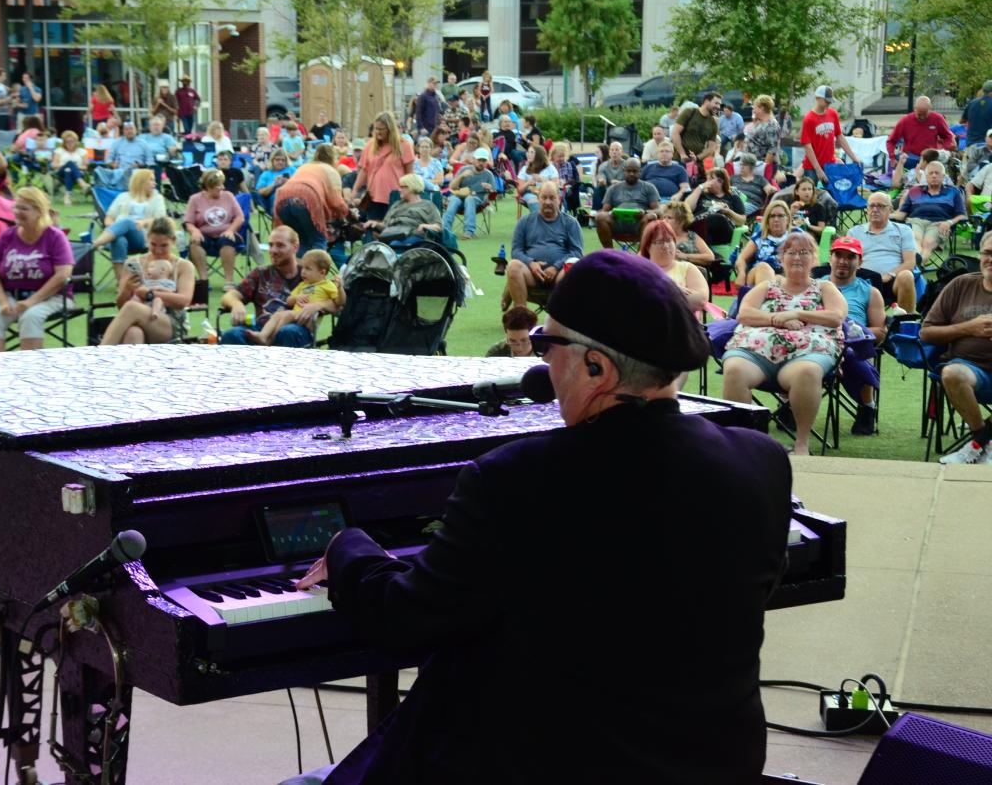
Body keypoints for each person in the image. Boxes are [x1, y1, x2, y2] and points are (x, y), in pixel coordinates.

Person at [289, 248, 788, 785]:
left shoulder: (515, 479)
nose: (542, 364)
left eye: (550, 345)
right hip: (715, 765)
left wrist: (350, 549)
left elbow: (402, 620)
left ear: (597, 367)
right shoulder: (761, 463)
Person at [723, 231, 846, 455]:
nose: (797, 258)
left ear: (815, 259)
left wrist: (797, 313)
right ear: (781, 258)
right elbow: (744, 314)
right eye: (791, 252)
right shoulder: (767, 287)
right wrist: (775, 320)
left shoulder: (824, 288)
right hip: (757, 353)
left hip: (806, 353)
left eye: (804, 252)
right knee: (734, 370)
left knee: (808, 372)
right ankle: (745, 442)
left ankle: (801, 443)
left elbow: (836, 316)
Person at [921, 232, 992, 464]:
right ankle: (985, 443)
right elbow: (927, 332)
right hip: (971, 369)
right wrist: (969, 328)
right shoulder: (961, 285)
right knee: (951, 373)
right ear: (980, 255)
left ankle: (978, 445)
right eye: (987, 253)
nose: (990, 259)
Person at [0, 188, 74, 353]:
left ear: (39, 211)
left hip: (53, 297)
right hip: (12, 296)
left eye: (24, 208)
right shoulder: (7, 236)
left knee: (31, 316)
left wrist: (32, 301)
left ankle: (30, 371)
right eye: (16, 207)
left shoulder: (55, 237)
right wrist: (2, 302)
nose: (17, 212)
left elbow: (63, 274)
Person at [220, 226, 343, 347]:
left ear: (295, 247)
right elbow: (230, 295)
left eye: (280, 245)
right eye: (271, 245)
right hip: (262, 328)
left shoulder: (310, 273)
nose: (273, 250)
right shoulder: (261, 273)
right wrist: (236, 304)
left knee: (287, 332)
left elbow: (337, 304)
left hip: (296, 328)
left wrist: (318, 305)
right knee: (232, 334)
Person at [97, 216, 196, 346]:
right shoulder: (133, 264)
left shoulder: (183, 266)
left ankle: (100, 355)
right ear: (147, 239)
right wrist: (127, 289)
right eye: (153, 244)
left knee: (132, 308)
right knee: (133, 333)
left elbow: (184, 301)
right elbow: (121, 305)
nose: (158, 251)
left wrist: (150, 294)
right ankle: (133, 366)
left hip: (170, 322)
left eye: (164, 245)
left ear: (173, 241)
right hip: (138, 320)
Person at [825, 235, 886, 435]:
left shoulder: (870, 292)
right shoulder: (815, 285)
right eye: (838, 255)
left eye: (850, 257)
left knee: (857, 350)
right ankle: (788, 405)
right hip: (816, 339)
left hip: (851, 343)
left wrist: (855, 330)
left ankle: (867, 406)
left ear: (859, 262)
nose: (843, 261)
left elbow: (880, 332)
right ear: (830, 258)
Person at [506, 181, 583, 308]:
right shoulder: (524, 222)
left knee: (573, 266)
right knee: (513, 265)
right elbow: (516, 251)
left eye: (552, 198)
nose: (548, 202)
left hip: (560, 274)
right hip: (531, 273)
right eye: (544, 197)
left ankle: (562, 318)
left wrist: (556, 267)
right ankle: (521, 316)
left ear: (559, 199)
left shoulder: (571, 223)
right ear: (538, 199)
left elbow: (576, 252)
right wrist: (531, 263)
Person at [845, 191, 919, 313]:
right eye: (871, 206)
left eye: (880, 206)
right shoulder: (854, 233)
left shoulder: (903, 230)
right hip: (864, 281)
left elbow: (910, 262)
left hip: (892, 281)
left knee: (906, 276)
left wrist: (889, 275)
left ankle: (905, 323)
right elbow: (849, 261)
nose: (875, 209)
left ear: (890, 210)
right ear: (866, 209)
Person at [244, 249, 338, 345]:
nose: (303, 272)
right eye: (303, 268)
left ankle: (271, 339)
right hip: (296, 314)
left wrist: (338, 290)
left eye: (308, 269)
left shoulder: (328, 285)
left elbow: (338, 303)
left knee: (287, 315)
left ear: (322, 272)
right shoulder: (303, 285)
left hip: (308, 319)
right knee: (277, 314)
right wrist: (296, 298)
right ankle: (263, 336)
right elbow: (288, 300)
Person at [91, 168, 166, 281]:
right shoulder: (123, 196)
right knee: (119, 240)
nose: (155, 183)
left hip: (142, 236)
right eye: (151, 180)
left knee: (127, 222)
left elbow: (160, 219)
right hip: (117, 235)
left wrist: (144, 222)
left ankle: (93, 245)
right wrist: (112, 227)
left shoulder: (157, 198)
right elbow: (109, 217)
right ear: (141, 181)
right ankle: (121, 282)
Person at [274, 144, 350, 256]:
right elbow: (337, 202)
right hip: (307, 197)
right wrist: (346, 211)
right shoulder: (331, 171)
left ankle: (300, 272)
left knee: (301, 241)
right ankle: (316, 271)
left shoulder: (304, 166)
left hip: (282, 199)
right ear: (334, 157)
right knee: (319, 239)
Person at [892, 161, 967, 266]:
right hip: (915, 221)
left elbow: (962, 215)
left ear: (943, 176)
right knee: (916, 239)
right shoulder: (915, 191)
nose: (934, 176)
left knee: (928, 244)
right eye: (931, 173)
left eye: (937, 173)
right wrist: (887, 215)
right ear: (926, 177)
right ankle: (916, 264)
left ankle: (914, 266)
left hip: (940, 223)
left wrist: (949, 222)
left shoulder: (953, 192)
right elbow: (902, 214)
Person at [184, 167, 245, 288]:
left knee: (226, 241)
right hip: (205, 235)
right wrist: (194, 230)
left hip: (226, 232)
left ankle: (229, 281)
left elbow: (240, 217)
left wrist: (230, 230)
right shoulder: (195, 199)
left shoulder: (228, 196)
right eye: (219, 185)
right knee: (195, 243)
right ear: (208, 186)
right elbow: (188, 222)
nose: (223, 187)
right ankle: (203, 280)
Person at [353, 111, 415, 221]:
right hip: (374, 197)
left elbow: (410, 174)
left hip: (396, 197)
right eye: (376, 128)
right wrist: (355, 191)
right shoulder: (370, 145)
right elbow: (364, 171)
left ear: (390, 129)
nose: (377, 132)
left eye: (381, 129)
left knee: (393, 230)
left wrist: (409, 194)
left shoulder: (404, 145)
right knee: (373, 230)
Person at [642, 219, 711, 313]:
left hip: (681, 325)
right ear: (648, 247)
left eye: (669, 240)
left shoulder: (688, 268)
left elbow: (700, 300)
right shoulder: (640, 270)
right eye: (660, 242)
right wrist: (672, 289)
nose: (666, 246)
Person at [798, 86, 860, 183]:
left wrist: (853, 157)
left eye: (830, 100)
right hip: (812, 167)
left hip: (830, 164)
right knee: (811, 195)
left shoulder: (833, 114)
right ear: (818, 98)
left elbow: (840, 137)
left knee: (832, 194)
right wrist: (818, 169)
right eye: (826, 101)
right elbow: (807, 147)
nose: (829, 103)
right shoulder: (809, 119)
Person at [595, 158, 660, 248]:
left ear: (640, 172)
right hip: (617, 224)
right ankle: (610, 253)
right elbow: (604, 210)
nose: (631, 174)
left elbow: (658, 210)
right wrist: (611, 213)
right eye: (628, 171)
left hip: (640, 223)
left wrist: (645, 212)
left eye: (634, 171)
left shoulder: (649, 187)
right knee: (600, 217)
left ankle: (641, 255)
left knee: (651, 217)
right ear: (623, 171)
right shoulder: (613, 188)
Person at [363, 173, 442, 243]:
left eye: (402, 187)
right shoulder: (397, 204)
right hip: (391, 235)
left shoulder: (427, 205)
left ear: (411, 187)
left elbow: (438, 227)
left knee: (394, 244)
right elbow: (385, 225)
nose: (399, 190)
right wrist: (376, 224)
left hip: (414, 237)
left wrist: (426, 226)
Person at [736, 200, 799, 286]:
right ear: (767, 220)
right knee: (764, 267)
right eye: (772, 216)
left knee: (778, 279)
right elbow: (741, 258)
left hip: (785, 276)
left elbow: (811, 258)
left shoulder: (797, 236)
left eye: (780, 216)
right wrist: (741, 274)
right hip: (758, 272)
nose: (776, 219)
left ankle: (769, 296)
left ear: (788, 219)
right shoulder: (760, 236)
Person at [886, 96, 956, 169]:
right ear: (915, 109)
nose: (922, 117)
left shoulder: (937, 118)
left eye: (924, 114)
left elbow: (948, 137)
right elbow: (891, 141)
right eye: (919, 114)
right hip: (911, 158)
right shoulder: (905, 121)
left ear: (929, 109)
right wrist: (892, 157)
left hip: (930, 158)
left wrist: (942, 151)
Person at [441, 148, 495, 240]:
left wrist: (489, 189)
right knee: (453, 200)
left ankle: (468, 231)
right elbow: (451, 187)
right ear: (474, 160)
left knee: (470, 199)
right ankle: (445, 230)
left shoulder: (488, 175)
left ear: (486, 162)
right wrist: (461, 177)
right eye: (479, 160)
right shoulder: (464, 169)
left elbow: (493, 194)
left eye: (483, 161)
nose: (481, 163)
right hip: (459, 196)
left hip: (477, 200)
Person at [672, 92, 721, 177]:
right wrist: (682, 154)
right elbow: (675, 133)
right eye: (716, 103)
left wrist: (698, 158)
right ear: (706, 101)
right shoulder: (690, 112)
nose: (718, 107)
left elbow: (711, 148)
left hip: (697, 165)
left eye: (719, 104)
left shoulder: (713, 123)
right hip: (679, 161)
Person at [94, 121, 150, 190]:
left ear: (136, 130)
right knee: (99, 171)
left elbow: (150, 162)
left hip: (137, 172)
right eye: (127, 129)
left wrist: (140, 165)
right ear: (123, 131)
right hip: (120, 171)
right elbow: (108, 160)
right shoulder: (117, 143)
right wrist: (114, 165)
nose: (129, 131)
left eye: (131, 129)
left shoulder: (144, 144)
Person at [662, 200, 715, 268]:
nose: (664, 221)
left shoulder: (692, 236)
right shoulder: (660, 236)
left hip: (694, 272)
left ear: (681, 221)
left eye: (669, 218)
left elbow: (710, 257)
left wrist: (685, 256)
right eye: (664, 217)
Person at [515, 144, 558, 213]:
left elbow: (556, 186)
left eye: (532, 152)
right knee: (534, 202)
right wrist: (528, 183)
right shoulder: (524, 169)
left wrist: (543, 180)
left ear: (539, 155)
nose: (528, 154)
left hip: (548, 193)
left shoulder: (550, 168)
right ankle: (539, 221)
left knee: (557, 203)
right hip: (531, 193)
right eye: (528, 152)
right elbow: (519, 190)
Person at [731, 152, 777, 217]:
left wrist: (772, 189)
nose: (741, 167)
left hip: (751, 205)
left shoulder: (760, 179)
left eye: (744, 165)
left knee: (736, 210)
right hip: (734, 203)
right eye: (740, 164)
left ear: (751, 166)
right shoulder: (733, 178)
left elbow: (769, 189)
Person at [51, 130, 89, 205]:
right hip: (60, 172)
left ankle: (67, 195)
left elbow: (85, 167)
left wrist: (74, 167)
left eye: (72, 141)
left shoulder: (82, 151)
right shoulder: (59, 151)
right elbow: (54, 165)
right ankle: (81, 182)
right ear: (64, 143)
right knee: (69, 163)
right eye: (67, 141)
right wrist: (68, 164)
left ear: (76, 141)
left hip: (78, 172)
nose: (70, 143)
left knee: (68, 171)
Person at [255, 148, 296, 215]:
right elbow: (260, 192)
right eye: (277, 160)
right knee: (277, 194)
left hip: (293, 197)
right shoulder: (266, 174)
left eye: (283, 160)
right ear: (272, 161)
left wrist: (289, 181)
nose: (280, 162)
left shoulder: (292, 170)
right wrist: (275, 184)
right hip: (274, 200)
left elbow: (301, 184)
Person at [961, 82, 992, 163]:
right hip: (988, 146)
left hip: (972, 145)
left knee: (971, 173)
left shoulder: (972, 103)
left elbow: (962, 121)